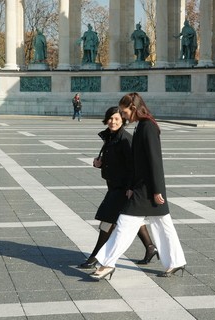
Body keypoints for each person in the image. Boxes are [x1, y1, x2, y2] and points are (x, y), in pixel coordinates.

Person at [91, 93, 186, 280]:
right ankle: (176, 261)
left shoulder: (148, 127)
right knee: (163, 225)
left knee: (125, 224)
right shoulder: (142, 126)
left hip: (148, 189)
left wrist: (157, 190)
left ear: (133, 108)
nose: (124, 116)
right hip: (142, 186)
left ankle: (107, 263)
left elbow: (155, 161)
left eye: (124, 112)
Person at [78, 107, 158, 269]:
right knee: (131, 219)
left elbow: (133, 167)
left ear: (123, 121)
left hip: (123, 188)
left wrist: (130, 187)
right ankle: (150, 247)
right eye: (110, 118)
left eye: (116, 119)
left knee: (107, 220)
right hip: (114, 185)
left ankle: (95, 257)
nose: (112, 122)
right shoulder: (111, 136)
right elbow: (115, 162)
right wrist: (99, 163)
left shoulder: (124, 139)